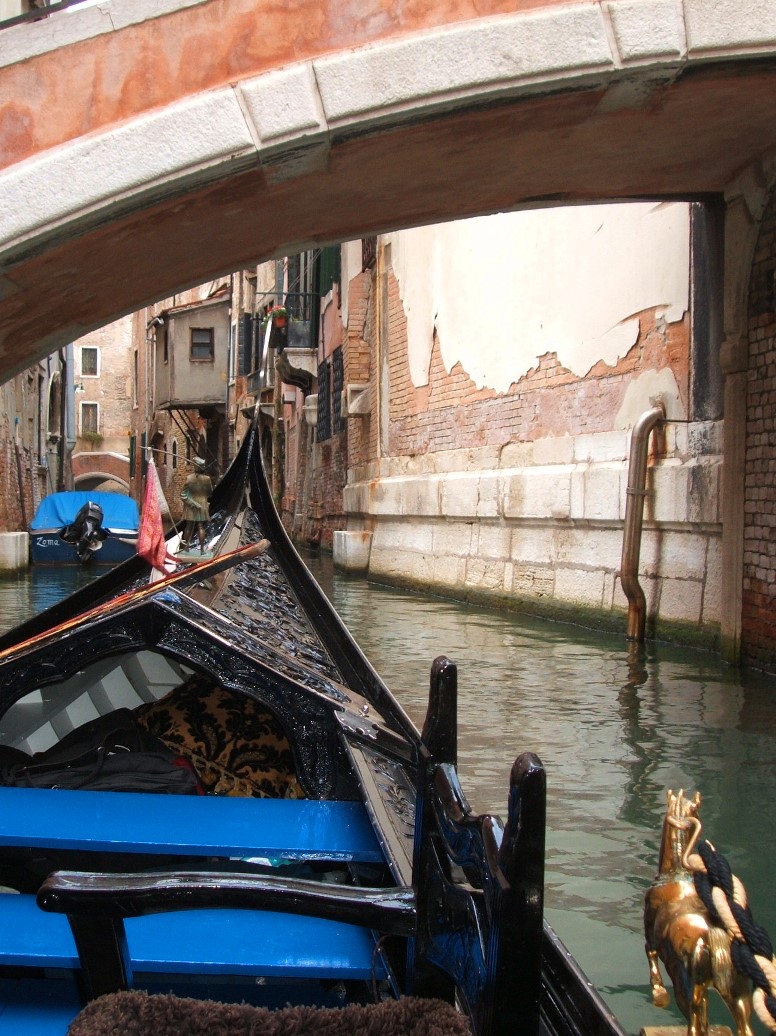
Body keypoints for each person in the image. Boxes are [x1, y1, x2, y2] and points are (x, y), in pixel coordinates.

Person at [180, 457, 213, 553]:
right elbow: (210, 493)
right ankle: (202, 549)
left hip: (191, 506)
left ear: (195, 467)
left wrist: (192, 503)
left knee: (189, 527)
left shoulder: (189, 478)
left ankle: (187, 548)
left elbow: (183, 495)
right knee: (201, 527)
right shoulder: (207, 479)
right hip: (202, 505)